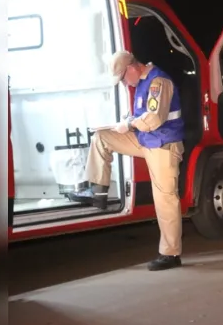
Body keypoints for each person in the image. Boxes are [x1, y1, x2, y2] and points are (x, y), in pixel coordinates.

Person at [69, 51, 185, 272]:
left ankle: (171, 254)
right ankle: (98, 191)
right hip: (146, 140)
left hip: (162, 145)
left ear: (132, 68)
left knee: (165, 199)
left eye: (123, 78)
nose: (124, 83)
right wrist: (125, 123)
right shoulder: (141, 83)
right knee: (102, 137)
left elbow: (154, 118)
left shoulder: (158, 81)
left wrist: (129, 125)